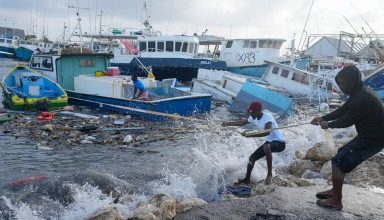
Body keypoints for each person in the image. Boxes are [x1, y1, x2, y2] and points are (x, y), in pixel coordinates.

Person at [311, 65, 384, 210]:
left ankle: (336, 201)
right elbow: (342, 110)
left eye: (343, 84)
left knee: (338, 161)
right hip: (371, 134)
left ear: (352, 81)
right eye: (340, 84)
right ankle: (334, 191)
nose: (341, 87)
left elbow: (346, 121)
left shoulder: (361, 99)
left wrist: (328, 124)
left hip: (375, 137)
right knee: (340, 155)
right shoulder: (360, 92)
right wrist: (322, 117)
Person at [222, 101, 286, 185]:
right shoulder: (253, 117)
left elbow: (266, 132)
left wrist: (250, 135)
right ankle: (247, 179)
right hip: (270, 142)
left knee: (266, 146)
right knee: (252, 158)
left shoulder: (267, 117)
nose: (250, 112)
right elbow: (241, 122)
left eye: (251, 111)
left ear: (258, 111)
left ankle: (269, 175)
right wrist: (227, 123)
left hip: (280, 143)